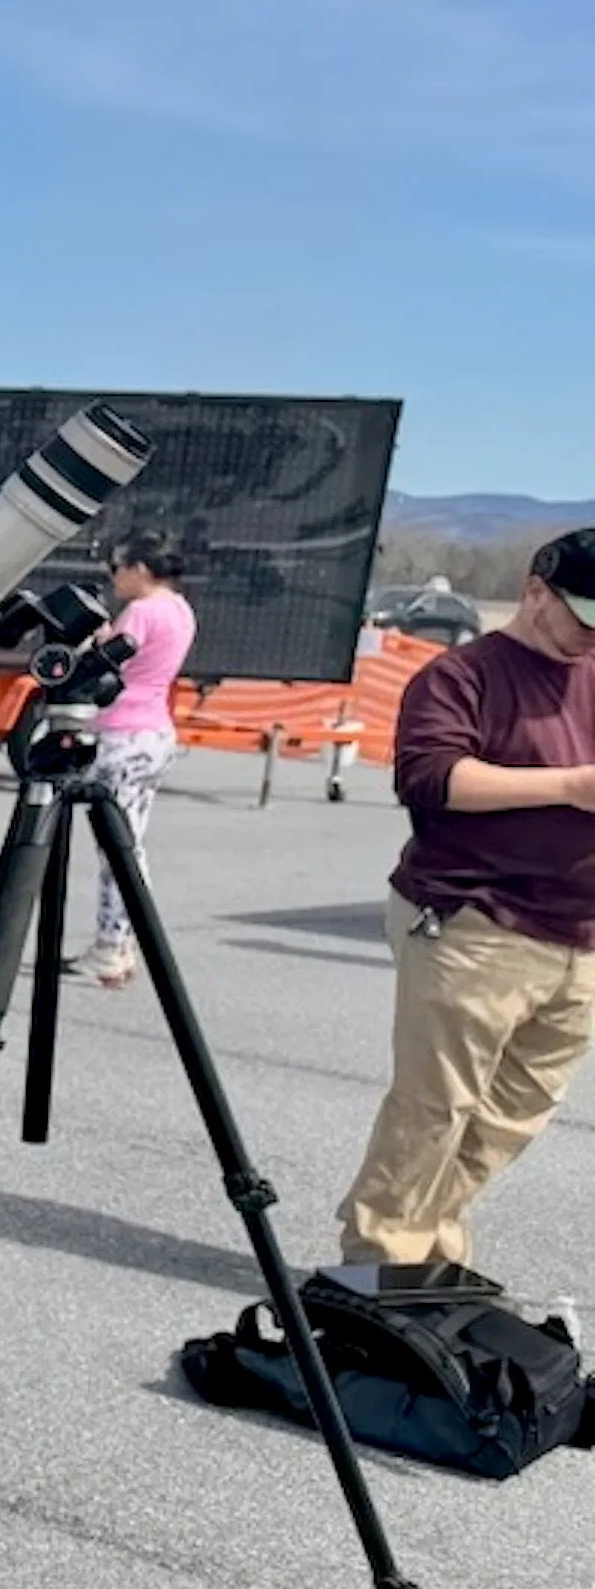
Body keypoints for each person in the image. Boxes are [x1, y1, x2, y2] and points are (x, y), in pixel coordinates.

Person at [333, 527, 595, 1271]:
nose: (590, 637)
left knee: (514, 1115)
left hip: (578, 934)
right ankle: (381, 1262)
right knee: (434, 1107)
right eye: (585, 617)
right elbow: (430, 778)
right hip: (475, 919)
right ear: (537, 591)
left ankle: (430, 1236)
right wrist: (572, 786)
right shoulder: (463, 675)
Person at [66, 531, 198, 989]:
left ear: (140, 569)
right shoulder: (180, 609)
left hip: (122, 733)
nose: (114, 577)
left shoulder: (142, 611)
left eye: (118, 567)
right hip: (155, 731)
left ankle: (110, 946)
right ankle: (120, 942)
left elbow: (105, 664)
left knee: (115, 848)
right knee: (131, 843)